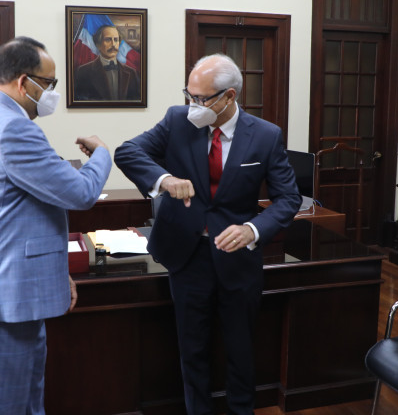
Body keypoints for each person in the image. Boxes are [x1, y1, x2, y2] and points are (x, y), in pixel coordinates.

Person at [114, 53, 302, 415]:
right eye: (189, 95)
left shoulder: (266, 135)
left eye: (200, 98)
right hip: (187, 256)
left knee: (240, 348)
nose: (192, 105)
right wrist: (164, 180)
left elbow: (289, 198)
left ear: (229, 97)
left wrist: (252, 229)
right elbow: (128, 152)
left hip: (238, 257)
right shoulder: (177, 120)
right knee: (192, 349)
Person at [0, 37, 112, 415]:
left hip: (11, 283)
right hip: (6, 292)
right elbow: (80, 193)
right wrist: (102, 154)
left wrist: (57, 272)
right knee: (9, 404)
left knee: (27, 398)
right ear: (24, 82)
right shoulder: (14, 128)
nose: (52, 93)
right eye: (49, 83)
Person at [73, 24, 141, 101]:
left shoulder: (131, 73)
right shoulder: (83, 72)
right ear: (98, 44)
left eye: (116, 40)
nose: (113, 44)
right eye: (108, 40)